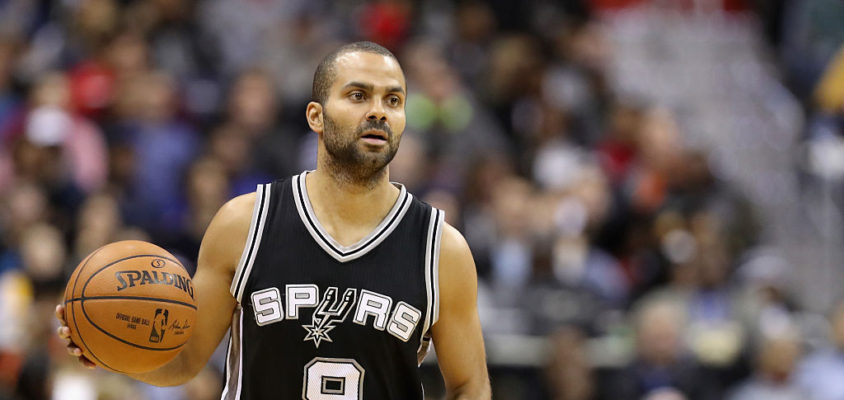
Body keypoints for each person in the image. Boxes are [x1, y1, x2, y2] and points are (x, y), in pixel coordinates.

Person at [55, 41, 491, 399]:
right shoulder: (244, 224)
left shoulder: (440, 249)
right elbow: (186, 360)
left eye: (392, 100)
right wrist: (116, 350)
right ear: (316, 117)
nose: (378, 111)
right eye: (358, 96)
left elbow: (469, 385)